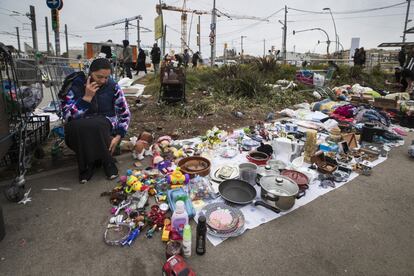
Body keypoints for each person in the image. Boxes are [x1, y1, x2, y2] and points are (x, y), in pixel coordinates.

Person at [62, 58, 131, 183]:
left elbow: (124, 113)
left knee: (98, 125)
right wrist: (86, 98)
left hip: (104, 124)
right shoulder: (76, 86)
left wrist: (119, 135)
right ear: (90, 73)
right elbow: (67, 117)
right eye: (99, 77)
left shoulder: (112, 86)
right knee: (78, 126)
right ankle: (94, 163)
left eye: (106, 77)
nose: (103, 81)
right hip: (81, 128)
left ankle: (103, 161)